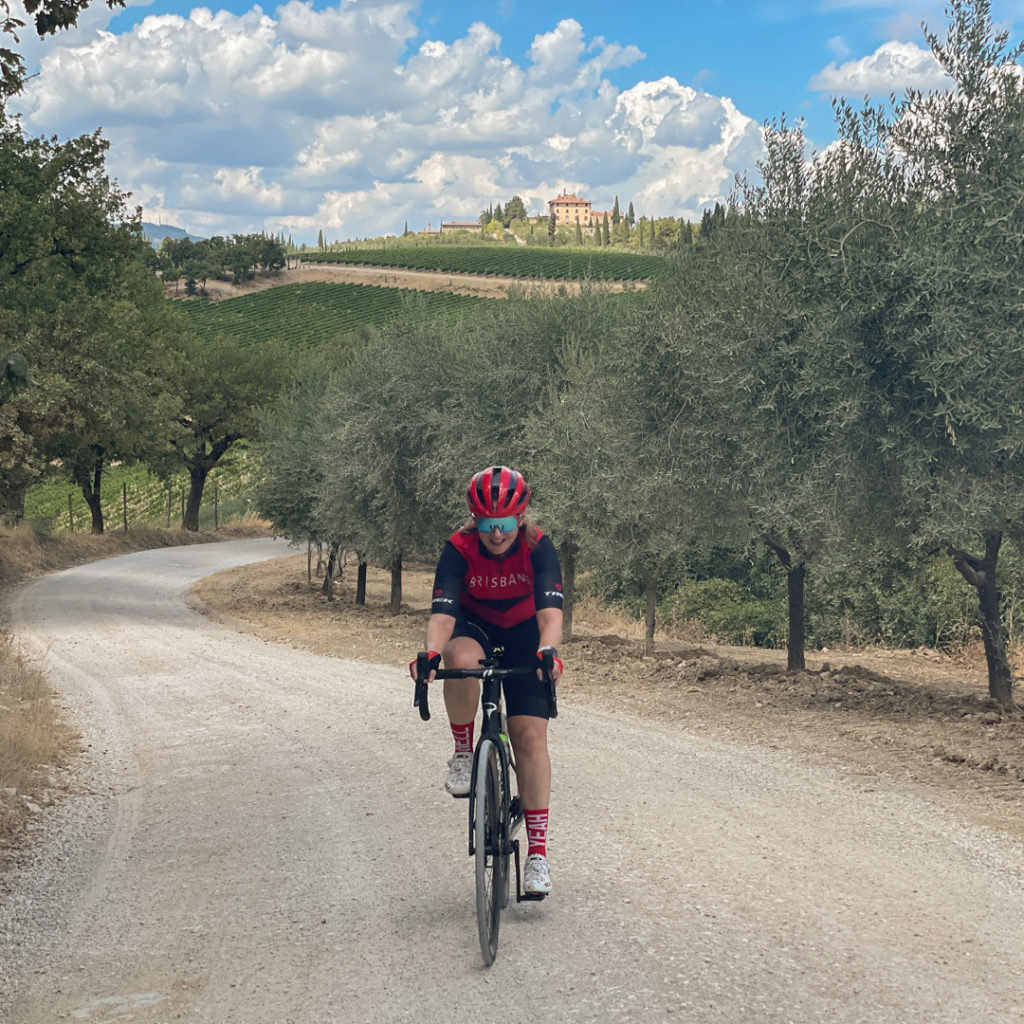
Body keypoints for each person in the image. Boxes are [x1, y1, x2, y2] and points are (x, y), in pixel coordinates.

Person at [415, 465, 563, 895]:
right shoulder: (459, 548)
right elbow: (443, 615)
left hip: (524, 634)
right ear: (473, 520)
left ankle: (538, 855)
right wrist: (426, 654)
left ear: (520, 518)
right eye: (485, 524)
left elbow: (551, 615)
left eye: (502, 524)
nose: (495, 534)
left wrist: (547, 651)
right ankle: (464, 752)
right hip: (474, 625)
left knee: (530, 739)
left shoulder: (538, 547)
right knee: (457, 657)